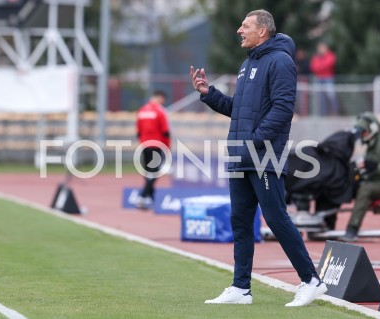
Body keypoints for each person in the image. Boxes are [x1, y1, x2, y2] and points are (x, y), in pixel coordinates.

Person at [190, 9, 327, 307]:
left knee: (276, 217)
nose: (239, 30)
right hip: (241, 155)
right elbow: (237, 109)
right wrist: (208, 93)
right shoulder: (246, 64)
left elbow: (282, 109)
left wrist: (254, 140)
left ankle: (311, 280)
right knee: (239, 220)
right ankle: (241, 288)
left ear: (262, 31)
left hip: (263, 155)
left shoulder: (280, 61)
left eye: (245, 25)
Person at [338, 112, 380, 242]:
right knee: (344, 184)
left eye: (364, 132)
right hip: (375, 181)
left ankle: (352, 229)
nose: (362, 135)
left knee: (365, 189)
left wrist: (376, 167)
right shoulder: (371, 146)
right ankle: (327, 222)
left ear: (373, 129)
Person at [135, 90, 170, 210]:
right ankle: (142, 195)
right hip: (156, 144)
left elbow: (138, 131)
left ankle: (150, 197)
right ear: (160, 98)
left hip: (144, 144)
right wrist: (167, 148)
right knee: (154, 172)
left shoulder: (142, 110)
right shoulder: (160, 111)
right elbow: (165, 131)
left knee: (147, 172)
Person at [310, 42, 340, 116]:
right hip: (319, 78)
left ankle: (335, 112)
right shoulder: (316, 57)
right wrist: (321, 67)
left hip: (328, 78)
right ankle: (323, 113)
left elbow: (329, 64)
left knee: (331, 95)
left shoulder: (330, 55)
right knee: (321, 97)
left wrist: (320, 67)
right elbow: (313, 67)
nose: (320, 50)